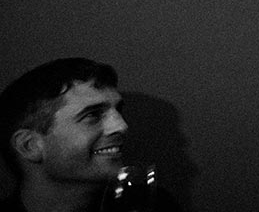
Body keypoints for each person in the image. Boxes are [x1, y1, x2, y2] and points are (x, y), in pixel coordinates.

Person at [0, 58, 178, 212]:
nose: (122, 126)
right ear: (29, 146)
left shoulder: (153, 204)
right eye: (92, 115)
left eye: (118, 110)